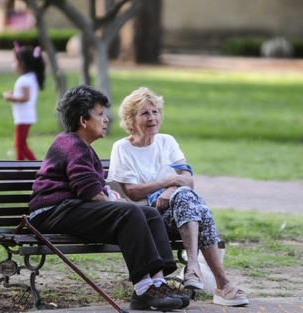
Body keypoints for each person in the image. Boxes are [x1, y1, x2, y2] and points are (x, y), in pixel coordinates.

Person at [28, 85, 190, 311]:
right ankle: (144, 290)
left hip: (69, 208)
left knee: (150, 214)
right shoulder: (73, 144)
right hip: (51, 212)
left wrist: (118, 204)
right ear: (84, 120)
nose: (106, 120)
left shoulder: (81, 145)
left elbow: (94, 191)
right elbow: (91, 193)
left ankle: (158, 283)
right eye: (100, 114)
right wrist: (120, 205)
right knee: (130, 212)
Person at [107, 87, 249, 307]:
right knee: (197, 208)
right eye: (144, 113)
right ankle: (221, 283)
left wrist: (169, 191)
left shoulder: (167, 142)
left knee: (187, 199)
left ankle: (193, 266)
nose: (152, 118)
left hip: (177, 214)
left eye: (155, 112)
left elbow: (187, 178)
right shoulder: (122, 148)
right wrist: (169, 182)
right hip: (146, 220)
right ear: (130, 120)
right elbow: (132, 192)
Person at [3, 42, 45, 160]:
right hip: (26, 115)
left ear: (22, 63)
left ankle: (38, 167)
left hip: (24, 116)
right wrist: (14, 94)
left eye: (14, 62)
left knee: (19, 144)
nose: (12, 65)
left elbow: (26, 98)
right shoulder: (31, 77)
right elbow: (25, 95)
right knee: (20, 143)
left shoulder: (24, 80)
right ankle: (19, 169)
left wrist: (10, 97)